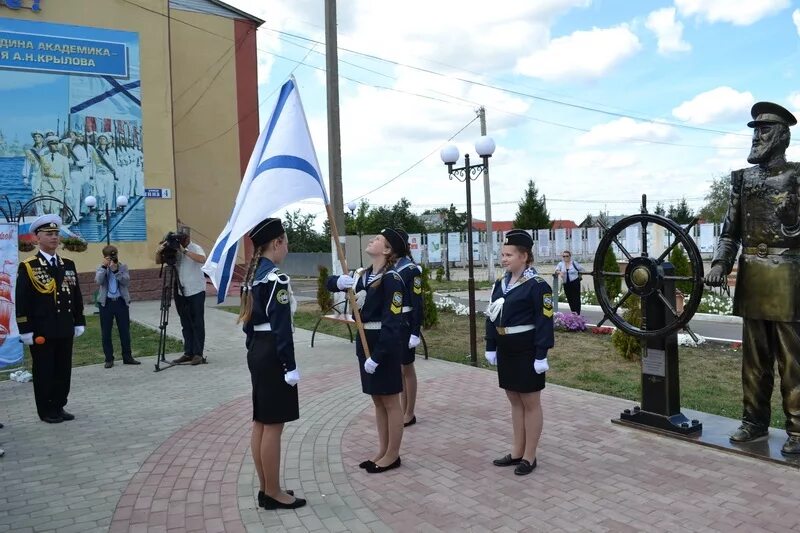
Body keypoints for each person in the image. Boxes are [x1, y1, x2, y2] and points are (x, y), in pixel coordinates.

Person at [705, 101, 800, 455]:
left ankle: (798, 430)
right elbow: (730, 231)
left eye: (764, 131)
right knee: (754, 360)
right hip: (753, 277)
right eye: (755, 131)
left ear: (781, 136)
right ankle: (754, 421)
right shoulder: (742, 180)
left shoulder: (798, 176)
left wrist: (792, 221)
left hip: (789, 277)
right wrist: (719, 264)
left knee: (793, 361)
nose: (757, 137)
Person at [238, 217, 305, 510]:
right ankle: (274, 493)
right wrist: (290, 366)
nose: (287, 248)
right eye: (286, 242)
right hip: (273, 354)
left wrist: (255, 349)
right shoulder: (276, 278)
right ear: (276, 243)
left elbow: (247, 326)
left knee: (261, 423)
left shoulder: (253, 277)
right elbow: (281, 327)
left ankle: (267, 487)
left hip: (258, 351)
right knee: (273, 426)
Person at [328, 228, 406, 473]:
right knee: (378, 400)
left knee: (391, 401)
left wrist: (379, 355)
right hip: (365, 344)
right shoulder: (361, 275)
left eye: (378, 239)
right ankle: (382, 450)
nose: (372, 239)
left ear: (387, 250)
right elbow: (331, 283)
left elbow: (392, 323)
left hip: (384, 346)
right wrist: (338, 282)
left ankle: (393, 454)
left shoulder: (392, 278)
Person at [484, 229, 554, 475]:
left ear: (524, 257)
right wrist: (491, 345)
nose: (504, 259)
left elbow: (544, 321)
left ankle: (530, 455)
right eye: (503, 254)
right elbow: (491, 315)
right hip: (506, 349)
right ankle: (517, 450)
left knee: (530, 402)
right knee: (514, 400)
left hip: (526, 350)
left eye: (509, 255)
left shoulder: (538, 285)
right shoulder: (501, 284)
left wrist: (541, 354)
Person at [15, 214, 86, 423]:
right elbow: (22, 300)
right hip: (41, 330)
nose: (54, 237)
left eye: (56, 233)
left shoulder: (68, 264)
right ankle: (46, 410)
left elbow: (76, 295)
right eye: (49, 234)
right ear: (37, 237)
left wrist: (79, 320)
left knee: (63, 370)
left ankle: (59, 405)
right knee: (45, 371)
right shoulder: (29, 266)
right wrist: (25, 329)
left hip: (64, 326)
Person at [156, 231, 207, 365]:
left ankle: (198, 353)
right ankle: (188, 352)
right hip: (180, 290)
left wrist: (184, 251)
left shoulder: (195, 248)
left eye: (182, 239)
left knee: (197, 322)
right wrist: (160, 251)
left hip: (196, 290)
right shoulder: (173, 248)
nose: (180, 242)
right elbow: (158, 261)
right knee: (185, 323)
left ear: (188, 238)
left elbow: (203, 259)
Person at [395, 229, 423, 427]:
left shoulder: (411, 270)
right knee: (398, 368)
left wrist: (415, 331)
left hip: (405, 322)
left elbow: (417, 303)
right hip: (392, 323)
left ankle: (409, 412)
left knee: (407, 367)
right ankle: (402, 408)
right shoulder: (389, 267)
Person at [95, 245, 139, 368]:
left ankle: (127, 356)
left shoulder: (123, 266)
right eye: (109, 256)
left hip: (120, 302)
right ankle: (109, 359)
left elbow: (126, 282)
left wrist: (116, 271)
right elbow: (98, 281)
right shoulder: (100, 267)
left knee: (124, 331)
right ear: (104, 257)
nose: (113, 258)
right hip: (106, 303)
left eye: (114, 255)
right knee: (106, 332)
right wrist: (104, 267)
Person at [39, 136, 70, 215]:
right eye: (53, 144)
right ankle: (47, 222)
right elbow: (39, 173)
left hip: (57, 185)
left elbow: (66, 174)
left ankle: (54, 225)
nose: (56, 146)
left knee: (54, 207)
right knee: (46, 207)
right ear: (49, 146)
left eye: (56, 144)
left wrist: (67, 186)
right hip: (45, 185)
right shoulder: (43, 158)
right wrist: (38, 186)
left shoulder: (63, 159)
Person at [554, 250, 585, 314]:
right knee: (569, 298)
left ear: (570, 256)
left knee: (576, 298)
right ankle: (573, 312)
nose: (565, 257)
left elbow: (582, 269)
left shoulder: (574, 263)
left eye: (567, 256)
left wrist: (579, 274)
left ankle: (577, 313)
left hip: (575, 282)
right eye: (564, 256)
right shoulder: (561, 264)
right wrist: (560, 272)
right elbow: (556, 270)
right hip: (566, 283)